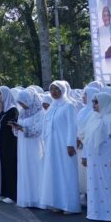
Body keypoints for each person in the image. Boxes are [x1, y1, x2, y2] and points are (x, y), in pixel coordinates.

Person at [81, 92, 111, 222]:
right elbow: (87, 139)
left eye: (96, 102)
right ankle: (98, 213)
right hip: (95, 162)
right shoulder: (94, 118)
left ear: (105, 102)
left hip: (109, 161)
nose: (94, 105)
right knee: (96, 186)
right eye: (93, 102)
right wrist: (84, 155)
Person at [40, 81, 81, 214]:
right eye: (51, 89)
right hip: (52, 145)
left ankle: (70, 205)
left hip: (64, 145)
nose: (53, 92)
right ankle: (57, 202)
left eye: (56, 89)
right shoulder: (52, 106)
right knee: (55, 173)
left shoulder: (68, 105)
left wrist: (70, 144)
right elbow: (46, 125)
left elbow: (72, 126)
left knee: (66, 172)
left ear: (62, 90)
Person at [14, 89, 44, 208]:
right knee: (25, 168)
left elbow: (39, 129)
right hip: (23, 145)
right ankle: (27, 197)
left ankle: (37, 198)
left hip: (34, 145)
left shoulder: (39, 112)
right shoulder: (22, 112)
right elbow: (17, 128)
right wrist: (15, 127)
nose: (21, 105)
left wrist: (24, 129)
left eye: (23, 102)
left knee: (35, 168)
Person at [0, 86, 19, 203]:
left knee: (8, 167)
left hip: (9, 144)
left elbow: (7, 125)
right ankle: (0, 192)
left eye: (0, 94)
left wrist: (1, 112)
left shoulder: (12, 110)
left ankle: (10, 194)